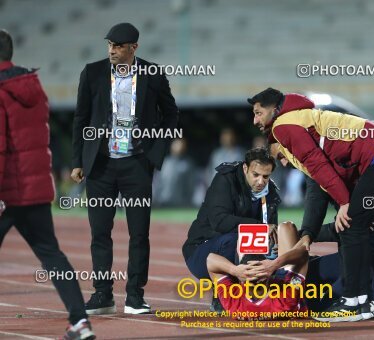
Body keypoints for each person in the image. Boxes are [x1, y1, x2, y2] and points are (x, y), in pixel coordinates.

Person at [249, 88, 374, 321]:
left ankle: (371, 299)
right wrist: (309, 234)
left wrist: (333, 215)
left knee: (366, 230)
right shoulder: (309, 123)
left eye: (281, 156)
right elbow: (320, 189)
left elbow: (321, 181)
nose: (284, 162)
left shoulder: (287, 131)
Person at [71, 23, 179, 315]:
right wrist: (78, 161)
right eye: (109, 45)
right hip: (100, 165)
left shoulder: (152, 74)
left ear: (134, 47)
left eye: (118, 46)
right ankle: (102, 294)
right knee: (99, 233)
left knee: (139, 233)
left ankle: (135, 296)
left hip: (136, 164)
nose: (111, 50)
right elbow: (80, 119)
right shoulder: (92, 73)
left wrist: (156, 151)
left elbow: (171, 114)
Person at [0, 29, 95, 339]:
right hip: (37, 189)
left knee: (51, 254)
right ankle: (80, 322)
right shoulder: (31, 85)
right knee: (52, 255)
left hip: (7, 191)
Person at [182, 147, 280, 280]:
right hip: (202, 250)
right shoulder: (226, 179)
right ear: (245, 168)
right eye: (256, 175)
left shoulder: (271, 191)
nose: (261, 181)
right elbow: (219, 221)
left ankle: (252, 293)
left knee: (276, 249)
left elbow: (270, 230)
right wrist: (259, 227)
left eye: (266, 176)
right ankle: (222, 294)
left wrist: (276, 246)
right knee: (234, 240)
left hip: (241, 248)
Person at [207, 222, 309, 319]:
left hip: (271, 276)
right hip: (283, 280)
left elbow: (210, 260)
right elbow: (304, 252)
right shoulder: (285, 301)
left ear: (242, 280)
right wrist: (275, 264)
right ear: (268, 277)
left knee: (249, 236)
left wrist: (235, 270)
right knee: (287, 227)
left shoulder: (235, 304)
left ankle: (261, 232)